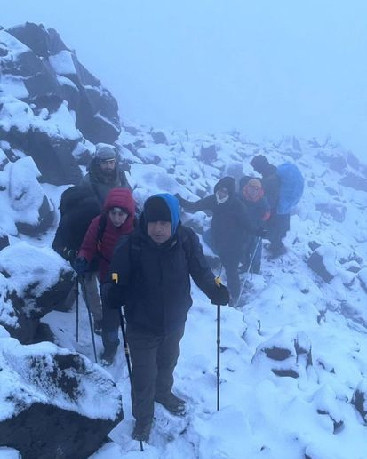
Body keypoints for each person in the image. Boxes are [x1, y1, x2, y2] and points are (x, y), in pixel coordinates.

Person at [104, 193, 229, 442]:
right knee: (143, 374)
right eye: (153, 223)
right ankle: (143, 418)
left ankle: (163, 393)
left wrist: (215, 287)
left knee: (168, 362)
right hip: (141, 324)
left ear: (174, 221)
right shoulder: (131, 244)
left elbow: (201, 270)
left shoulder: (186, 239)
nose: (158, 229)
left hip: (174, 320)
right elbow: (114, 276)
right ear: (145, 222)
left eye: (164, 223)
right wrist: (114, 292)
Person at [74, 187, 135, 364]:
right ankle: (110, 347)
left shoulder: (137, 228)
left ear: (128, 214)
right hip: (107, 274)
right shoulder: (99, 223)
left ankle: (135, 342)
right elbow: (87, 247)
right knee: (110, 316)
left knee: (134, 313)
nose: (116, 218)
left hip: (132, 277)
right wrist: (82, 259)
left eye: (121, 214)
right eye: (113, 213)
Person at [176, 176, 255, 305]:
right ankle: (224, 292)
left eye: (225, 191)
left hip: (236, 243)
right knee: (225, 264)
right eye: (220, 189)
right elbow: (195, 206)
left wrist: (258, 231)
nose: (222, 193)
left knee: (231, 270)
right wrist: (180, 200)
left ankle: (234, 297)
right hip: (220, 240)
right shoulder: (213, 200)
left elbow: (248, 224)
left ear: (230, 193)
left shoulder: (237, 205)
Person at [250, 155, 304, 258]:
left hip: (276, 209)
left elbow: (271, 194)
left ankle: (277, 250)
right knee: (276, 231)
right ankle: (275, 246)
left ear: (259, 165)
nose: (254, 169)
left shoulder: (270, 177)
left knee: (273, 230)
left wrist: (266, 208)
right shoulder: (272, 170)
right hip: (282, 208)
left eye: (255, 166)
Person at [238, 177, 270, 274]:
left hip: (256, 228)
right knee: (243, 248)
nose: (254, 191)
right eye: (252, 188)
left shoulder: (262, 201)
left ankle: (255, 269)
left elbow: (267, 213)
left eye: (256, 189)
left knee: (255, 249)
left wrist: (262, 220)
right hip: (242, 228)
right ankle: (245, 266)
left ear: (259, 190)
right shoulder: (240, 197)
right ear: (247, 187)